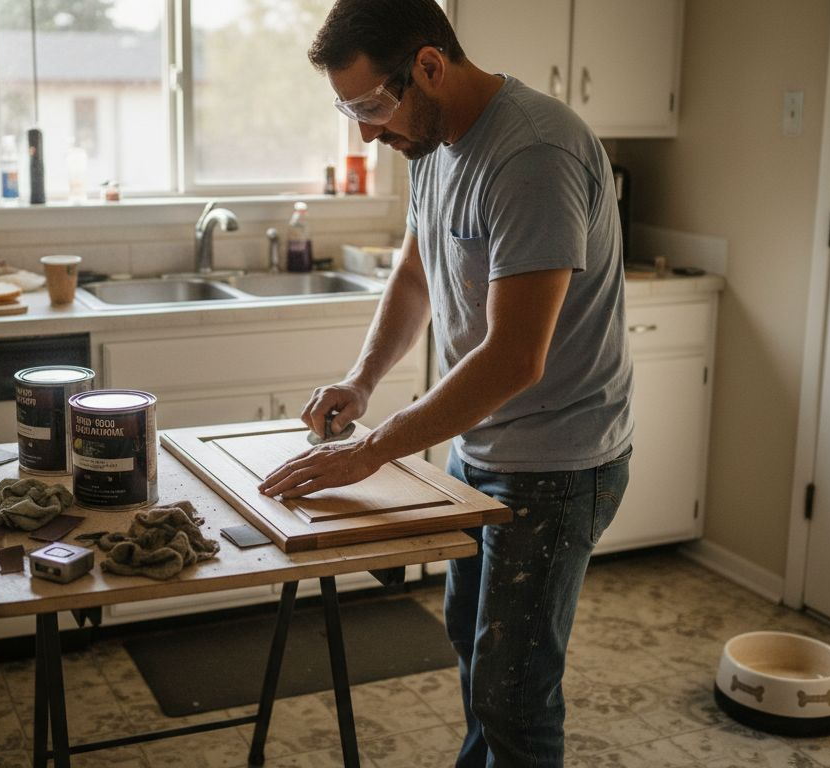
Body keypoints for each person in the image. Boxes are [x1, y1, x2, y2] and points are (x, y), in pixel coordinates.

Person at [256, 1, 634, 765]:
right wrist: (362, 382)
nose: (365, 131)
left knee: (515, 696)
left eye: (370, 105)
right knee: (477, 658)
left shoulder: (533, 155)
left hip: (560, 464)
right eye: (348, 109)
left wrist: (373, 454)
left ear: (429, 65)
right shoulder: (428, 140)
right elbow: (417, 270)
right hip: (482, 450)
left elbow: (513, 359)